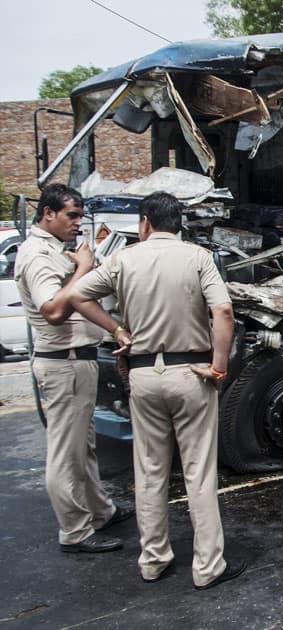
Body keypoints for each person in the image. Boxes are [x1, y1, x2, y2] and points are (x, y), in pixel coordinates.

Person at [71, 191, 246, 589]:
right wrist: (219, 365)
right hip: (192, 373)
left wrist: (116, 330)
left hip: (143, 375)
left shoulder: (123, 259)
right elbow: (223, 311)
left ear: (145, 223)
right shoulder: (198, 258)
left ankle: (153, 560)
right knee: (198, 473)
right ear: (178, 223)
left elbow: (78, 295)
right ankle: (207, 567)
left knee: (149, 472)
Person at [14, 183, 133, 553]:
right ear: (47, 213)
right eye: (71, 216)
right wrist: (82, 268)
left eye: (80, 216)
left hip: (77, 362)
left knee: (85, 446)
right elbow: (52, 311)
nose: (77, 224)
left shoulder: (53, 250)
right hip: (63, 363)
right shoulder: (37, 254)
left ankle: (100, 511)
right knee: (66, 452)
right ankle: (75, 532)